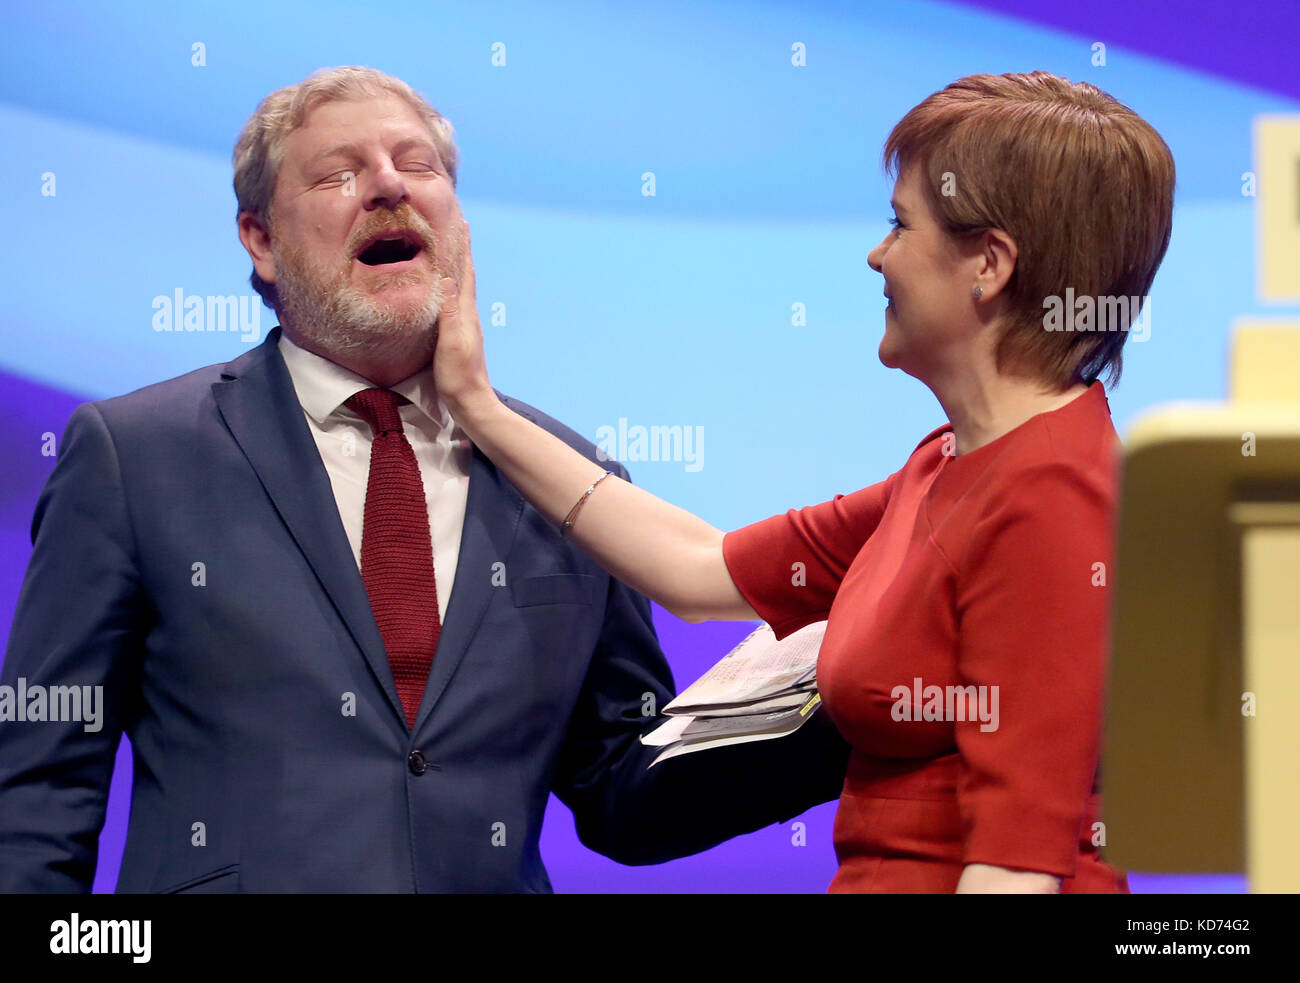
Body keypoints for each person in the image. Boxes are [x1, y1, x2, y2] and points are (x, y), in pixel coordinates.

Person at [0, 66, 852, 893]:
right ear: (259, 239)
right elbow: (40, 783)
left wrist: (851, 704)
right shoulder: (134, 453)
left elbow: (623, 794)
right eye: (338, 173)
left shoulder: (572, 480)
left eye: (419, 166)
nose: (386, 186)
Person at [431, 71, 1175, 893]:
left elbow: (1014, 867)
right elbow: (700, 569)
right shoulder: (949, 464)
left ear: (989, 265)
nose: (876, 254)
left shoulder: (1052, 495)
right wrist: (478, 407)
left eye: (900, 224)